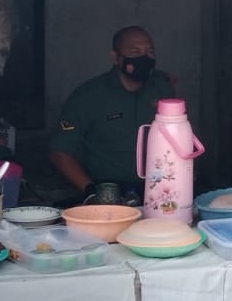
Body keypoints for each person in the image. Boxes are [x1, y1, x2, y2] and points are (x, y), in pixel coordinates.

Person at [50, 26, 176, 198]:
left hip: (159, 187)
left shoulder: (162, 87)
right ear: (115, 57)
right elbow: (60, 152)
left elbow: (177, 135)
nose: (144, 58)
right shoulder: (88, 97)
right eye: (135, 52)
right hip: (106, 189)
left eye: (150, 52)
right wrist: (91, 192)